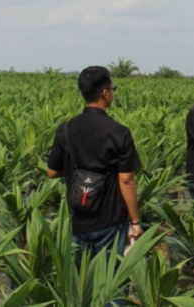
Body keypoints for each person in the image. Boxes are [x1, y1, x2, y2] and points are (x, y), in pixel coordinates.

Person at [47, 66, 144, 268]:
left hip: (78, 221)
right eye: (112, 88)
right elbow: (126, 179)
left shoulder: (66, 129)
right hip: (109, 221)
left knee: (82, 286)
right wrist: (135, 221)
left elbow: (52, 172)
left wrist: (77, 167)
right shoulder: (118, 132)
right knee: (111, 287)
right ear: (105, 93)